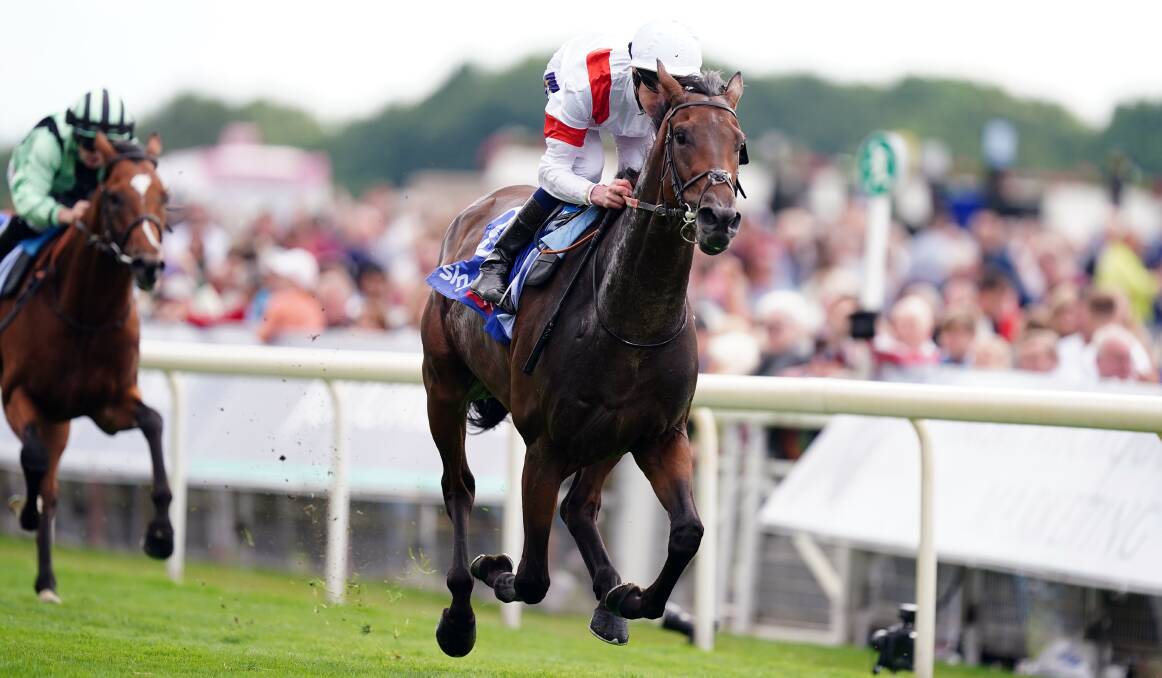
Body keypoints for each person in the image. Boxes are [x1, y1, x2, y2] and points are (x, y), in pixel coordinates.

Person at [469, 21, 705, 310]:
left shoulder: (673, 97)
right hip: (569, 77)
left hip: (618, 97)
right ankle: (499, 259)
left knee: (639, 170)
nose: (661, 104)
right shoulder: (583, 87)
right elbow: (551, 171)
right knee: (587, 168)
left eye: (672, 91)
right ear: (634, 74)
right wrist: (595, 192)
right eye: (655, 90)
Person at [2, 89, 137, 260]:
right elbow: (28, 198)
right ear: (74, 133)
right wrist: (65, 214)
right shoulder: (47, 142)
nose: (96, 153)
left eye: (107, 146)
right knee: (34, 223)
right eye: (88, 143)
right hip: (38, 185)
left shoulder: (128, 147)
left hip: (85, 191)